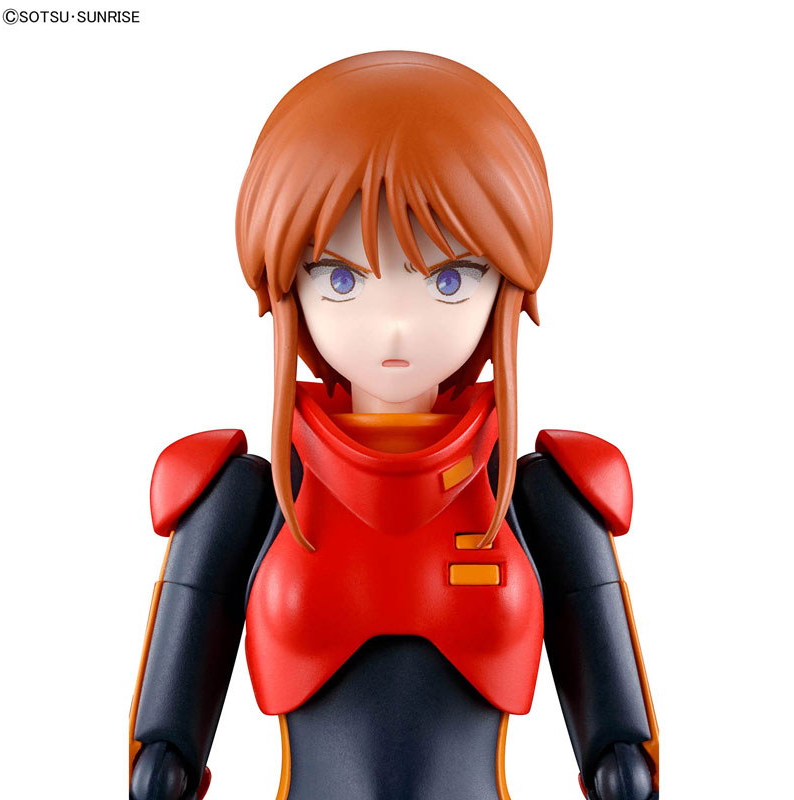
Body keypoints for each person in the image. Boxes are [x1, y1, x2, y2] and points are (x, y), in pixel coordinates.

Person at [128, 50, 659, 800]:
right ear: (288, 282)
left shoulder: (544, 494)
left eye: (450, 278)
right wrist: (164, 758)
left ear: (508, 282)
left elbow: (619, 745)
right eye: (342, 277)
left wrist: (620, 761)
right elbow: (165, 747)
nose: (397, 326)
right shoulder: (241, 494)